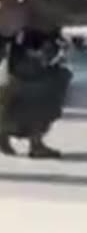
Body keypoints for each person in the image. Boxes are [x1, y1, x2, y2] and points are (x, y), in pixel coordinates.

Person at [0, 28, 71, 159]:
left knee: (12, 98)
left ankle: (4, 135)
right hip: (29, 59)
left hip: (16, 57)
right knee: (43, 95)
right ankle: (36, 143)